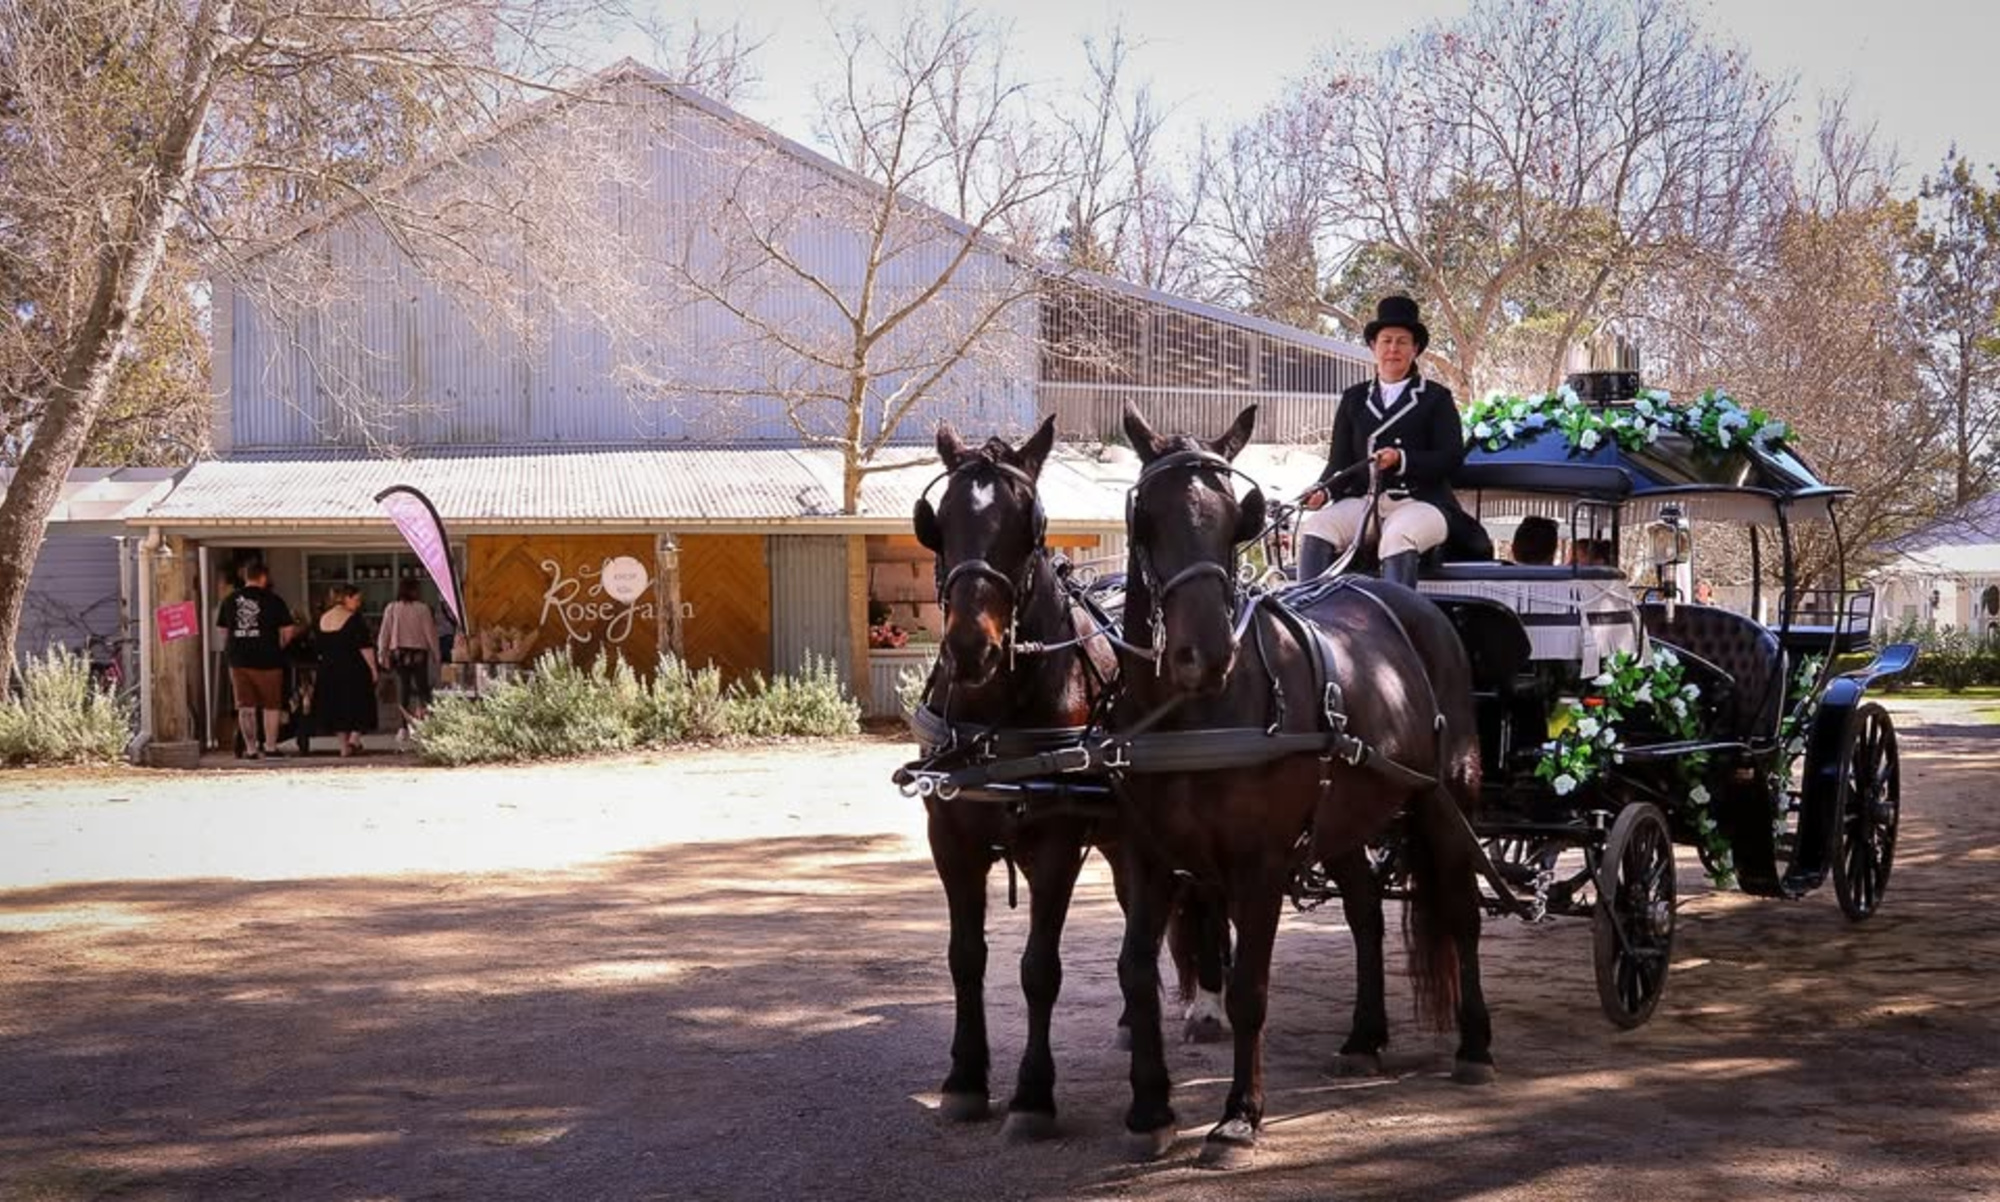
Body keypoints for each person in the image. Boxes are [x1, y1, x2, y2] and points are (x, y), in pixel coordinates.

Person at [1298, 295, 1480, 587]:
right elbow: (1339, 461)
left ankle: (1399, 625)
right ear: (1373, 347)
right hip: (1366, 502)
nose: (1393, 349)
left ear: (1415, 349)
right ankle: (1306, 615)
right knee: (1317, 526)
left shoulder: (1436, 398)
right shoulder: (1353, 399)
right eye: (1386, 341)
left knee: (1398, 537)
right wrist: (1323, 491)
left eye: (1402, 341)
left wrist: (1402, 459)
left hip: (1422, 503)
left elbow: (1451, 458)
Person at [213, 560, 298, 759]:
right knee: (271, 705)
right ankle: (270, 746)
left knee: (245, 705)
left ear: (245, 576)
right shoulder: (274, 600)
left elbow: (223, 631)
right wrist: (278, 645)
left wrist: (236, 644)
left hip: (239, 659)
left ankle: (251, 749)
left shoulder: (229, 600)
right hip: (269, 659)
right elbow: (288, 631)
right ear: (263, 577)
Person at [314, 584, 379, 757]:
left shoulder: (323, 619)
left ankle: (344, 746)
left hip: (328, 669)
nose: (358, 604)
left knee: (337, 707)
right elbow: (365, 647)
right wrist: (373, 669)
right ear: (346, 598)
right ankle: (354, 738)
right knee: (360, 703)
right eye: (356, 600)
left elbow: (318, 647)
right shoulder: (354, 619)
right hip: (353, 667)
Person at [378, 579, 440, 741]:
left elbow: (384, 632)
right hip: (419, 652)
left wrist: (382, 652)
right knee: (423, 689)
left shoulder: (392, 608)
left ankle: (402, 727)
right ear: (415, 591)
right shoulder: (423, 609)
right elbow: (430, 633)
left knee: (402, 690)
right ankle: (426, 723)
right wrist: (436, 653)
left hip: (399, 653)